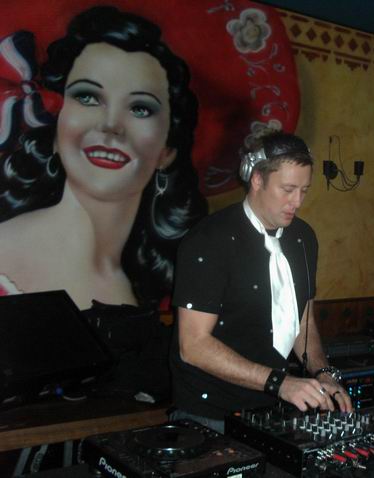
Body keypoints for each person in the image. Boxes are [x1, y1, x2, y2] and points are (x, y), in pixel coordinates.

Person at [0, 6, 207, 310]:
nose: (110, 125)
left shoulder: (163, 290)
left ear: (166, 151)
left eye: (140, 108)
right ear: (57, 128)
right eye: (87, 97)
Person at [170, 131, 352, 432]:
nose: (297, 201)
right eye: (288, 189)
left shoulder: (303, 238)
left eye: (304, 190)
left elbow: (302, 323)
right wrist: (280, 383)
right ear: (256, 179)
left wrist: (323, 373)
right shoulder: (209, 240)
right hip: (211, 415)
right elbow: (193, 345)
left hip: (271, 409)